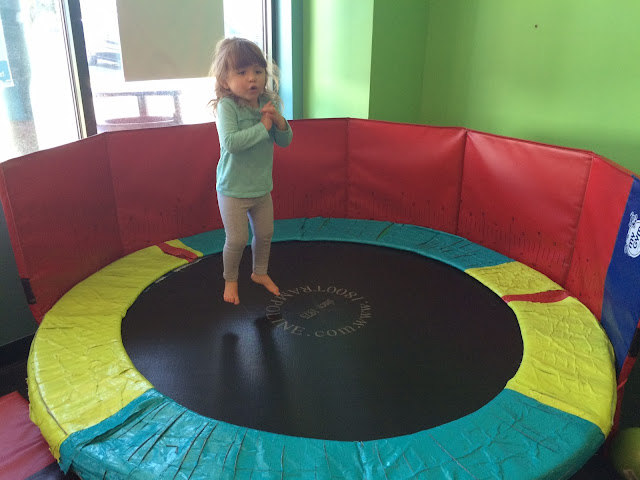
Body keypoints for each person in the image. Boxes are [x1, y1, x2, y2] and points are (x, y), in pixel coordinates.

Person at [209, 37, 293, 305]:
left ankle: (260, 273)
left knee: (265, 234)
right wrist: (263, 127)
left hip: (261, 188)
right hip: (233, 189)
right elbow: (231, 143)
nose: (252, 78)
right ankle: (231, 279)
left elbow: (285, 141)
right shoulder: (227, 106)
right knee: (236, 240)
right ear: (225, 81)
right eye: (242, 72)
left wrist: (279, 122)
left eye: (258, 71)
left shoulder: (267, 101)